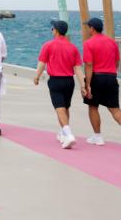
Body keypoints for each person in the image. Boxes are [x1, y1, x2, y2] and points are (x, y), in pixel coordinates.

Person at [33, 19, 86, 149]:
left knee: (59, 108)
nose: (52, 30)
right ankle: (63, 133)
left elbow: (42, 63)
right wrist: (83, 85)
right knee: (65, 108)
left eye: (52, 28)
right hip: (69, 82)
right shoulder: (72, 47)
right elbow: (78, 68)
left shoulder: (48, 45)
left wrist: (36, 77)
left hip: (55, 81)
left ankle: (69, 135)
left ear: (56, 31)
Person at [82, 17, 121, 147]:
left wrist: (88, 84)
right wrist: (110, 72)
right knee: (115, 108)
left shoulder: (88, 43)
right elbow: (117, 61)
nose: (88, 29)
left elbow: (88, 64)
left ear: (92, 28)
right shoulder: (112, 42)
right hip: (111, 76)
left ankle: (98, 136)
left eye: (88, 27)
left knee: (93, 106)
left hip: (96, 77)